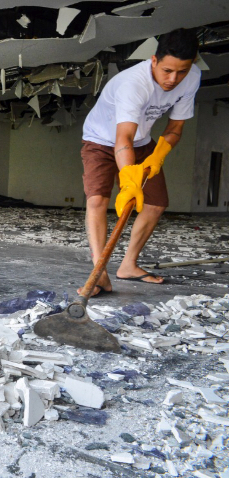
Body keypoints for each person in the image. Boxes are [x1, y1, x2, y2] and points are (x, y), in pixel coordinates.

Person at [79, 28, 201, 296]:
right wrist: (129, 179)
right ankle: (99, 274)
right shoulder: (133, 84)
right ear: (154, 60)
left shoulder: (192, 77)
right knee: (98, 200)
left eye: (181, 71)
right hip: (102, 139)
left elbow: (175, 128)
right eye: (167, 70)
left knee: (156, 203)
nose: (173, 79)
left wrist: (158, 155)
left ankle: (128, 266)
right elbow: (123, 136)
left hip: (142, 141)